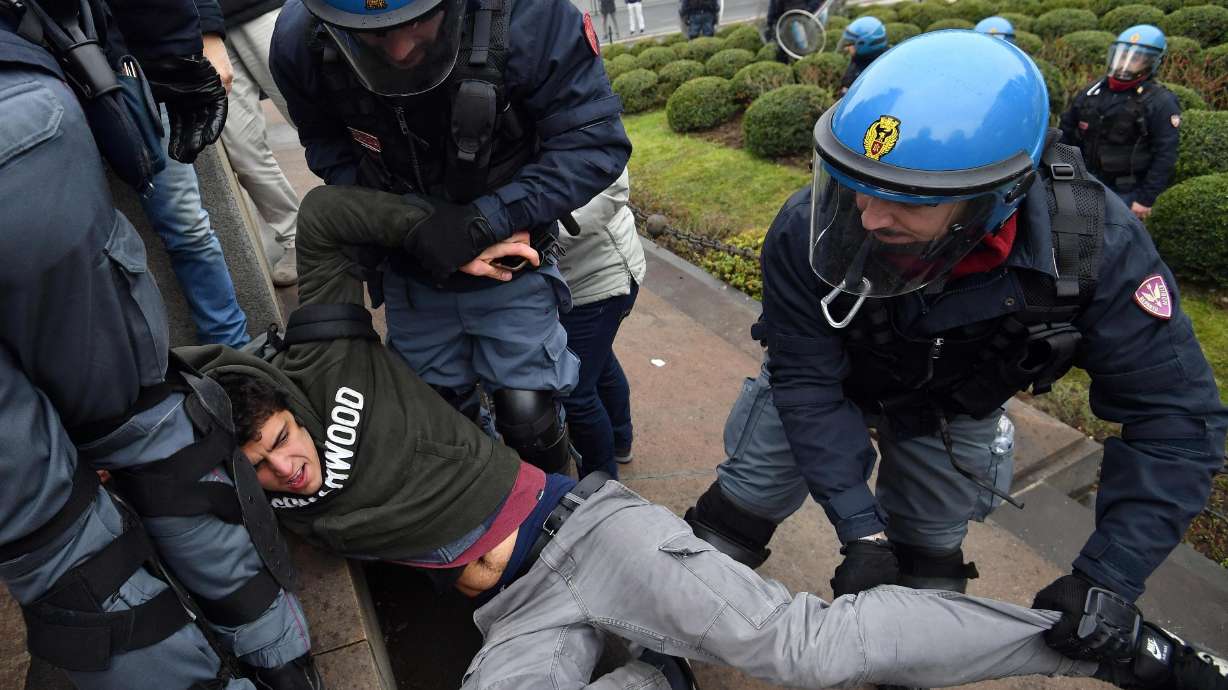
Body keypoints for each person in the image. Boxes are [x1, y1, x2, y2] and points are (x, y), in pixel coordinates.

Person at [189, 183, 1227, 690]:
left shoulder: (328, 359)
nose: (288, 464)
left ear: (285, 398)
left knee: (807, 648)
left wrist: (445, 240)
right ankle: (659, 673)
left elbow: (324, 218)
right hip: (513, 611)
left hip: (589, 533)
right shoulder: (261, 499)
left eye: (282, 437)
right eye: (264, 469)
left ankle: (1098, 646)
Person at [680, 28, 1225, 668]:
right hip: (834, 380)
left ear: (996, 201)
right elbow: (804, 379)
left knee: (929, 563)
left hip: (955, 403)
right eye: (856, 184)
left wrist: (1108, 577)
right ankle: (671, 628)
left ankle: (904, 665)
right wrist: (860, 529)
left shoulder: (1093, 247)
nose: (868, 217)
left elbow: (1177, 422)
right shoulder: (810, 227)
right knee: (741, 507)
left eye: (907, 201)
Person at [0, 0, 320, 687]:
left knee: (48, 535)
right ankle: (280, 660)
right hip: (16, 130)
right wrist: (176, 49)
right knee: (148, 439)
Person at [269, 0, 630, 474]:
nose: (399, 50)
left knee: (529, 417)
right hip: (409, 267)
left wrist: (481, 224)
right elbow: (326, 145)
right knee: (438, 424)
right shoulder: (300, 40)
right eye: (374, 34)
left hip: (508, 260)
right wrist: (414, 227)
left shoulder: (531, 16)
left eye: (418, 23)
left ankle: (557, 506)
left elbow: (593, 141)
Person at [558, 167, 646, 477]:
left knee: (576, 390)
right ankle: (620, 439)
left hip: (601, 282)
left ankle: (600, 485)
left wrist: (515, 228)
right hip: (578, 279)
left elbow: (601, 201)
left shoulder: (591, 141)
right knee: (599, 360)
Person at [217, 0, 303, 286]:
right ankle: (296, 238)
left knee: (319, 119)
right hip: (202, 34)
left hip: (261, 8)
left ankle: (374, 213)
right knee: (243, 153)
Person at [1060, 24, 1181, 222]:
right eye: (1122, 55)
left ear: (1151, 63)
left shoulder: (1160, 101)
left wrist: (1146, 199)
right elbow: (1065, 132)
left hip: (1126, 191)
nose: (1125, 62)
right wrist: (1061, 174)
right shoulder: (1092, 91)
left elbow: (1165, 154)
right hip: (1084, 181)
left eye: (1135, 58)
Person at [835, 14, 887, 95]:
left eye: (850, 43)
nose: (846, 48)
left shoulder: (874, 76)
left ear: (864, 44)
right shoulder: (860, 59)